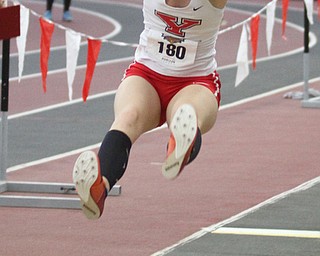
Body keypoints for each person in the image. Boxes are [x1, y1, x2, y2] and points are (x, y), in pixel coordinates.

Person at [73, 0, 228, 219]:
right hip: (146, 75)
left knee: (186, 113)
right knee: (128, 117)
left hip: (195, 81)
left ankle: (180, 145)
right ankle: (98, 188)